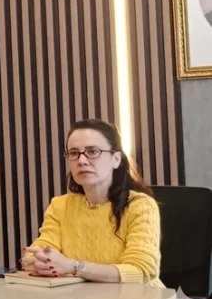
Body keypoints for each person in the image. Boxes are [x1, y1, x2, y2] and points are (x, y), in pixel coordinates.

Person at [21, 119, 162, 286]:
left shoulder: (140, 205)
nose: (81, 160)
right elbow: (41, 251)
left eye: (93, 151)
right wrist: (37, 260)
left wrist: (73, 266)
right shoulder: (60, 206)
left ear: (116, 159)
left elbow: (141, 272)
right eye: (74, 153)